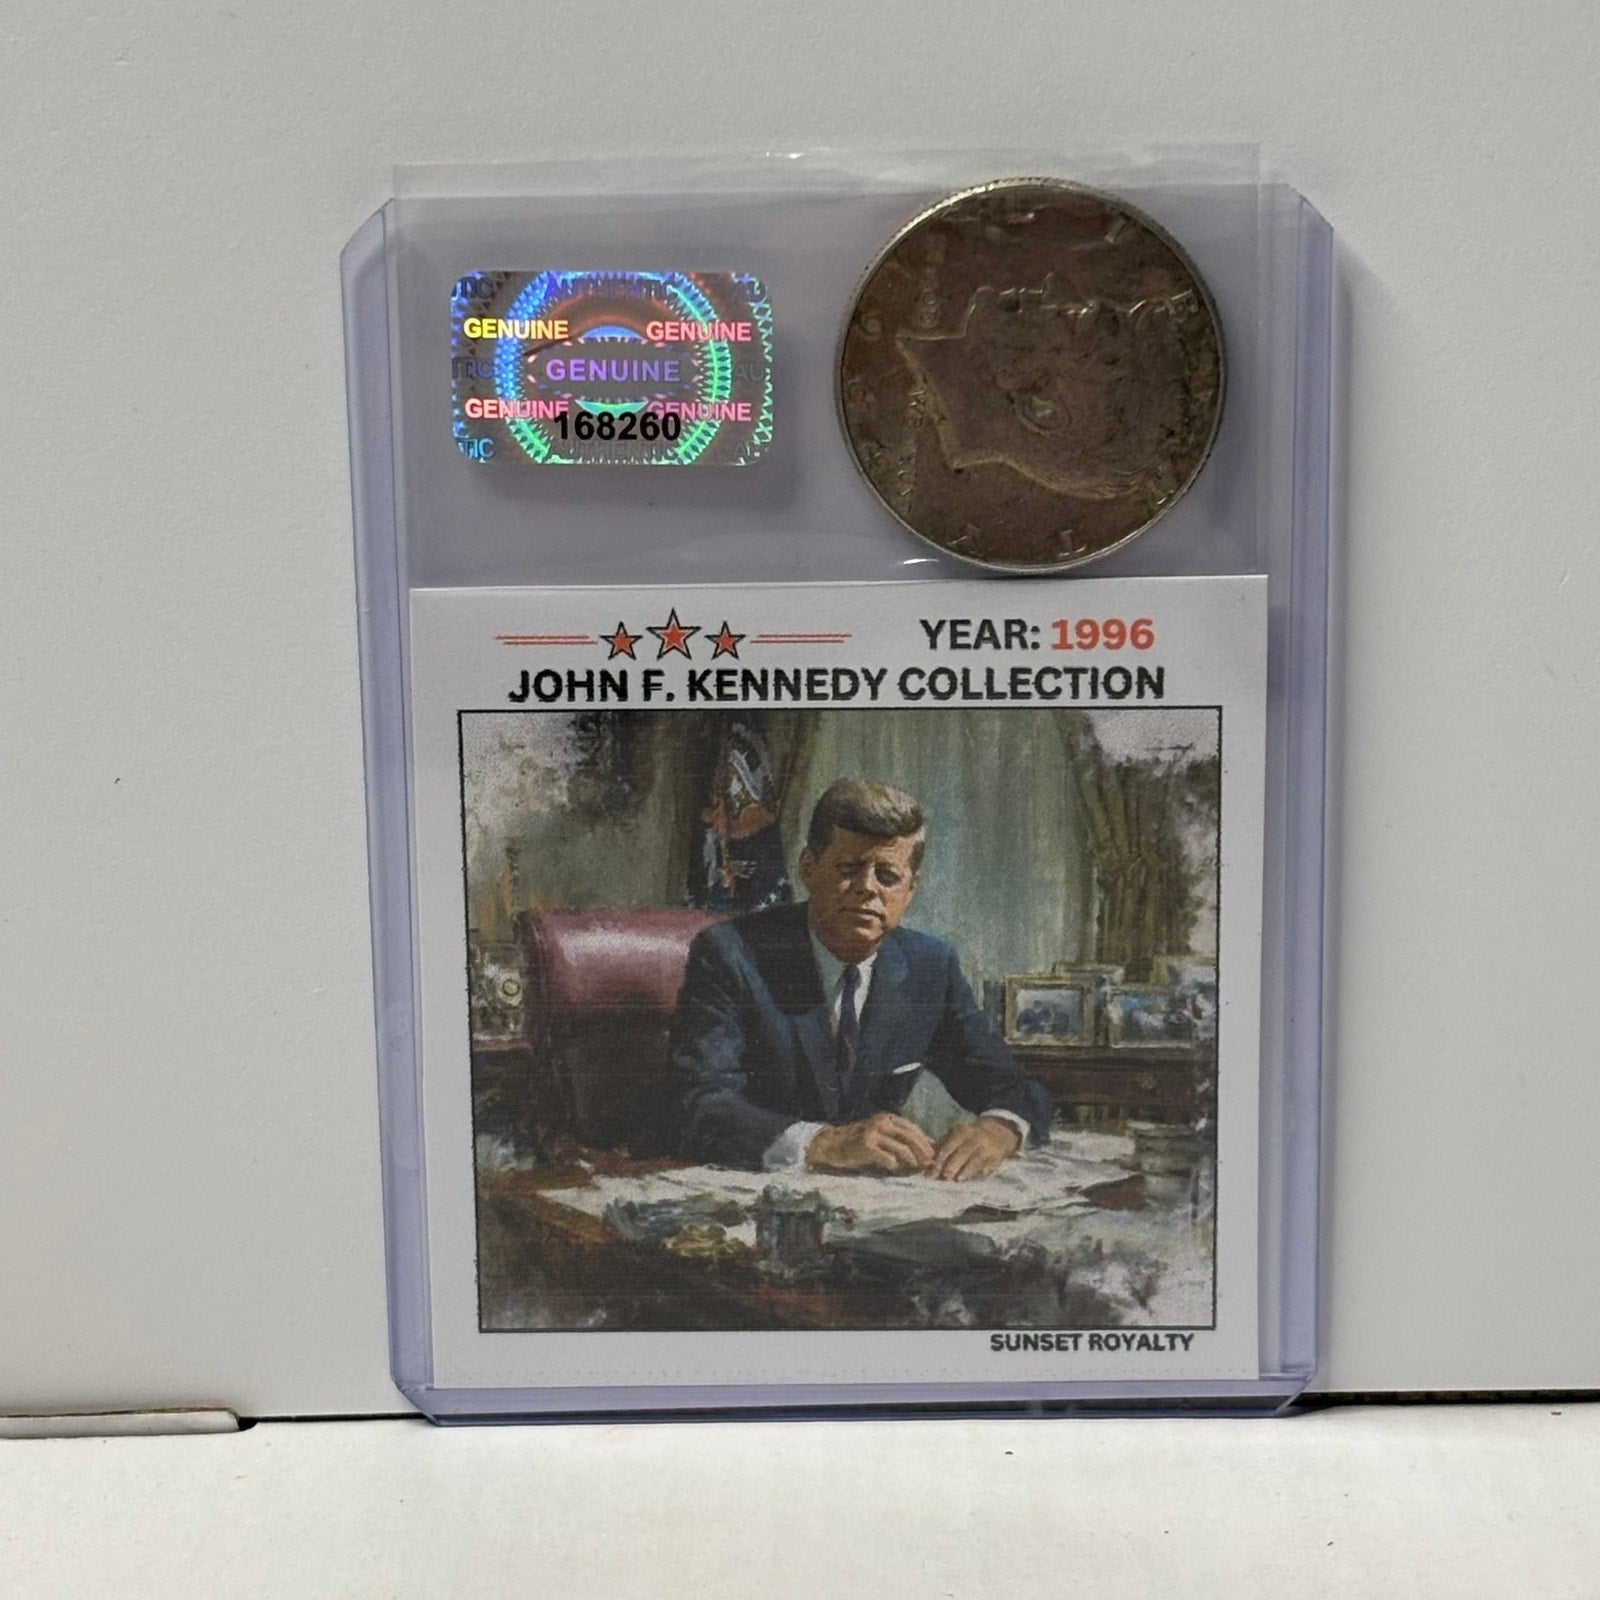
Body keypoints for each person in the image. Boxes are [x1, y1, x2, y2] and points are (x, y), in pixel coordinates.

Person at [671, 779, 1052, 1178]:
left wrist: (1000, 1129)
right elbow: (697, 1102)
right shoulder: (731, 953)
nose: (867, 889)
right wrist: (820, 1143)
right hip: (754, 1190)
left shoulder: (930, 967)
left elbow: (1016, 1087)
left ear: (910, 889)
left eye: (887, 875)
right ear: (808, 868)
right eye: (849, 869)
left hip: (874, 1199)